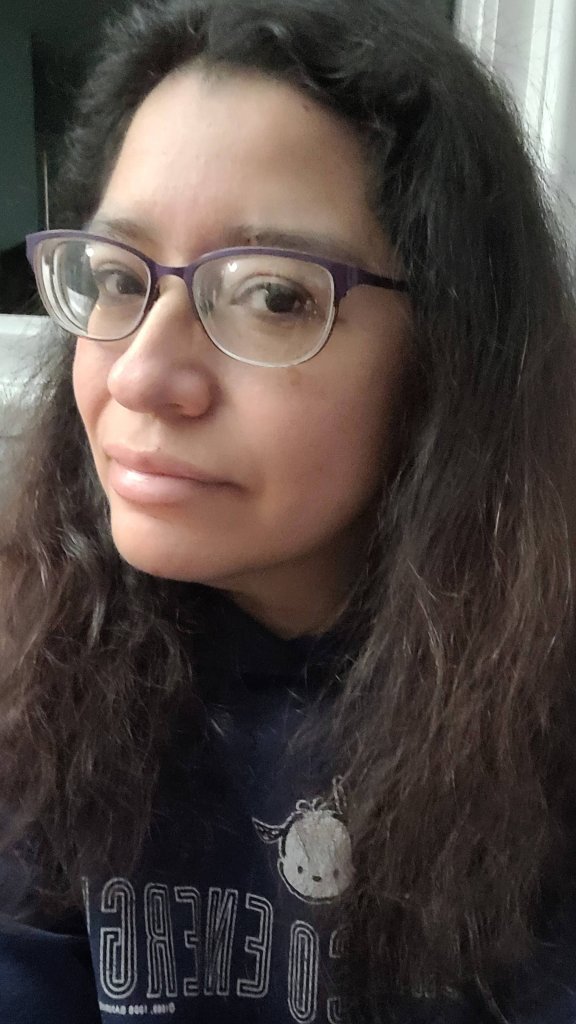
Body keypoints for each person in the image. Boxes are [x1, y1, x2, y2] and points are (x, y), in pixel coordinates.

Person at [1, 0, 576, 1019]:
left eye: (272, 295)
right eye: (118, 278)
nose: (140, 376)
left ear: (449, 354)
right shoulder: (41, 666)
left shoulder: (541, 719)